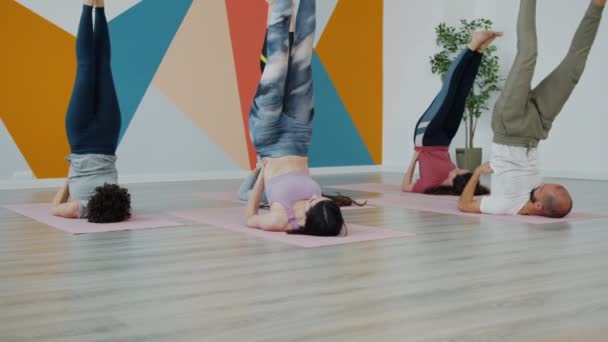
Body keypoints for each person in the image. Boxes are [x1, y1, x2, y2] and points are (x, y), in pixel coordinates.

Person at [459, 0, 605, 218]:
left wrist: (478, 172)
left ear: (538, 206)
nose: (543, 183)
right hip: (538, 127)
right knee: (574, 68)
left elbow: (465, 205)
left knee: (528, 53)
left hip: (510, 123)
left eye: (544, 188)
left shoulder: (506, 205)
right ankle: (598, 5)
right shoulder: (539, 197)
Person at [244, 0, 363, 236]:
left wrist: (260, 179)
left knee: (277, 63)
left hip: (268, 138)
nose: (314, 196)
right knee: (303, 57)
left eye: (312, 202)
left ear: (307, 217)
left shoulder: (280, 220)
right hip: (299, 136)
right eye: (319, 198)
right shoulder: (319, 203)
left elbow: (250, 218)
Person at [52, 0, 131, 223]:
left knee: (88, 68)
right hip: (101, 139)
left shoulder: (81, 209)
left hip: (87, 139)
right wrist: (70, 179)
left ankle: (92, 6)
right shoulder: (82, 208)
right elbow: (55, 206)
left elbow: (57, 209)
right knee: (101, 67)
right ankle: (98, 7)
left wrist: (71, 178)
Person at [401, 31, 502, 196]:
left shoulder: (429, 185)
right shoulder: (454, 178)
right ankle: (480, 51)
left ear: (452, 181)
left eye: (458, 172)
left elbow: (405, 186)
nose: (459, 168)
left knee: (449, 90)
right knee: (462, 94)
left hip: (426, 138)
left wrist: (414, 159)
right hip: (444, 140)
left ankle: (472, 45)